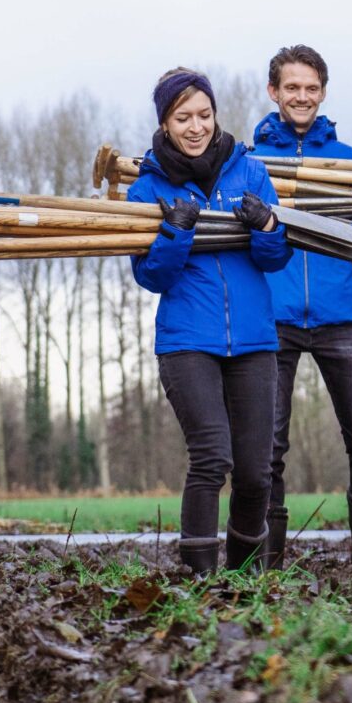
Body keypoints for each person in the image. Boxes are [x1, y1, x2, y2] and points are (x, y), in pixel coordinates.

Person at [128, 67, 293, 574]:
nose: (196, 127)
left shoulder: (250, 172)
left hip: (254, 341)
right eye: (183, 118)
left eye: (204, 115)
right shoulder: (146, 189)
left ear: (216, 115)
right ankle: (200, 575)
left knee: (256, 471)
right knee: (211, 457)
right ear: (165, 123)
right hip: (187, 342)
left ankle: (246, 578)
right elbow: (150, 276)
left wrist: (266, 225)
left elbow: (275, 258)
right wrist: (174, 232)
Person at [251, 45, 352, 565]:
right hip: (275, 316)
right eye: (292, 87)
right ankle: (270, 564)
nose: (301, 96)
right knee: (268, 450)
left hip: (341, 316)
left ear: (323, 93)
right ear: (274, 92)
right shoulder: (252, 163)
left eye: (311, 88)